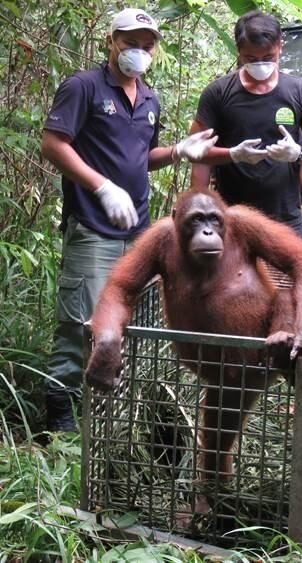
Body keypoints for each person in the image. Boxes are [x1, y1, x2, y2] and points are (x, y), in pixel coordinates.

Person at [41, 8, 217, 432]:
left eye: (146, 44)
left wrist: (177, 151)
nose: (138, 51)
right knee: (81, 322)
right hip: (93, 228)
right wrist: (101, 186)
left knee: (129, 324)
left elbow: (142, 157)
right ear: (111, 42)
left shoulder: (150, 98)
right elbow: (52, 144)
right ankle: (61, 421)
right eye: (130, 42)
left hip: (136, 232)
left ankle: (109, 418)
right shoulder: (83, 87)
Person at [189, 10, 302, 239]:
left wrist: (299, 156)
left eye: (269, 57)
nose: (261, 64)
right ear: (239, 51)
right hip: (233, 218)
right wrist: (232, 156)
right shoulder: (218, 93)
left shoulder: (301, 92)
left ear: (280, 47)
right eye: (251, 59)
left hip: (287, 219)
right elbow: (198, 154)